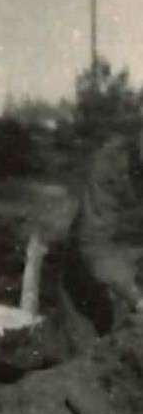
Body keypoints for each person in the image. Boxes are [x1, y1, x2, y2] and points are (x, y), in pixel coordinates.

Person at [63, 120, 143, 338]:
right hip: (93, 268)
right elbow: (96, 242)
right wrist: (137, 299)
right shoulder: (109, 163)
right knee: (94, 352)